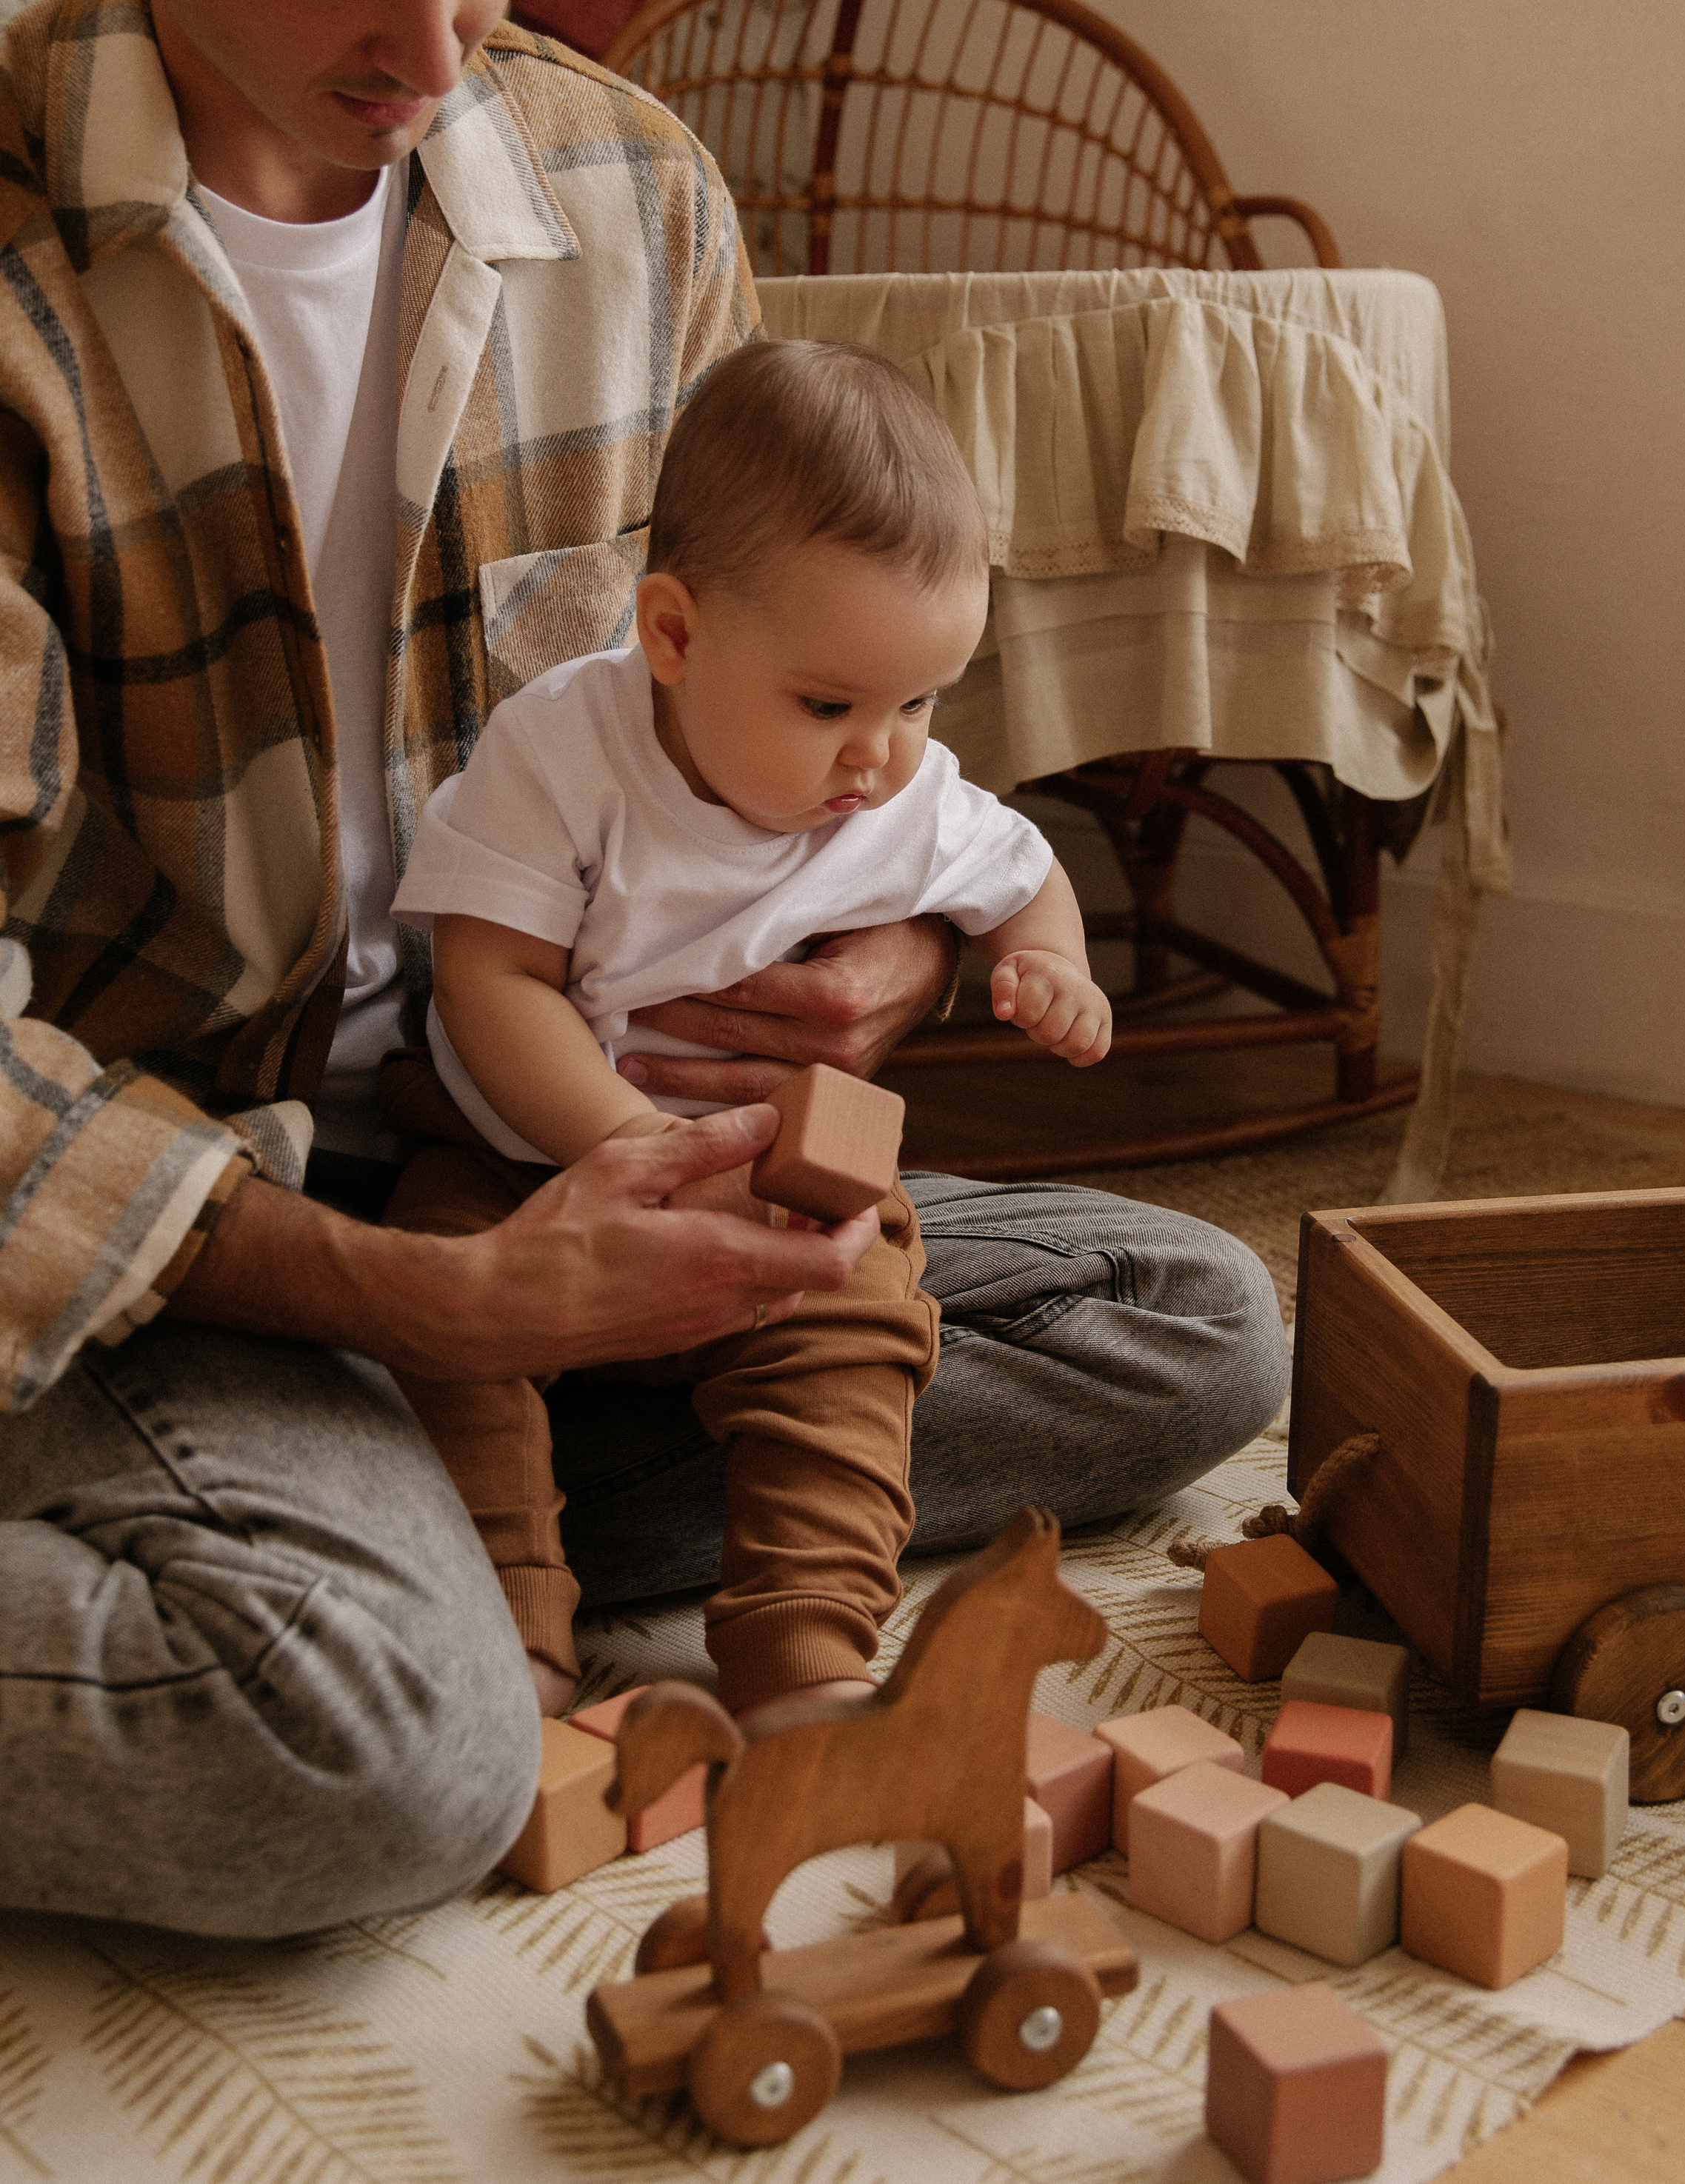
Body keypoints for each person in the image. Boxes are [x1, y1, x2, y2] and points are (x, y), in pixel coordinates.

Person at [0, 0, 1289, 1940]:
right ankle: (405, 1556)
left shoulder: (632, 188)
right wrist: (434, 1291)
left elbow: (849, 724)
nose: (442, 51)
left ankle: (427, 1514)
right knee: (371, 1751)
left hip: (593, 1171)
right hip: (182, 1207)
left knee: (1194, 1319)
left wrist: (904, 957)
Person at [384, 340, 1113, 1717]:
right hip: (519, 1169)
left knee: (870, 1307)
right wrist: (641, 1147)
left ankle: (804, 1651)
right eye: (830, 704)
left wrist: (1049, 964)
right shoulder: (565, 751)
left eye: (921, 700)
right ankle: (514, 1653)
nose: (882, 755)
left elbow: (1022, 872)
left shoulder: (899, 783)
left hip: (774, 1192)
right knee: (443, 1322)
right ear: (672, 633)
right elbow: (489, 984)